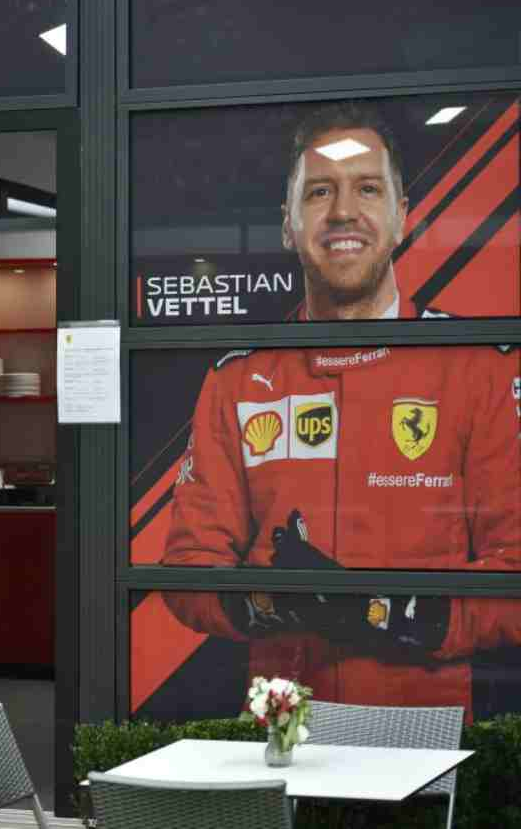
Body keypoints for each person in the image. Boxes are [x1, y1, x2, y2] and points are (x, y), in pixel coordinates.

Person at [163, 102, 521, 714]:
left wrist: (393, 614)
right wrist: (274, 600)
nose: (344, 212)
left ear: (403, 216)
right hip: (279, 728)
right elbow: (189, 567)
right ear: (288, 224)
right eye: (320, 191)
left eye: (369, 189)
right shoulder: (238, 380)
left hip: (426, 732)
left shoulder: (479, 369)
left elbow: (513, 568)